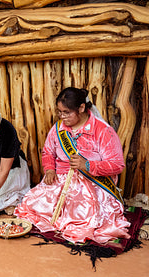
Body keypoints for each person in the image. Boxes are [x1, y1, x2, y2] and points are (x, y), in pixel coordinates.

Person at [14, 87, 131, 244]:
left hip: (92, 184)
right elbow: (48, 153)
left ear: (81, 108)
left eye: (66, 112)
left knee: (83, 217)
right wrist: (49, 170)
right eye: (59, 112)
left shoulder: (103, 131)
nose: (62, 116)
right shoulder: (58, 129)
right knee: (31, 206)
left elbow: (117, 165)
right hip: (61, 180)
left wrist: (88, 165)